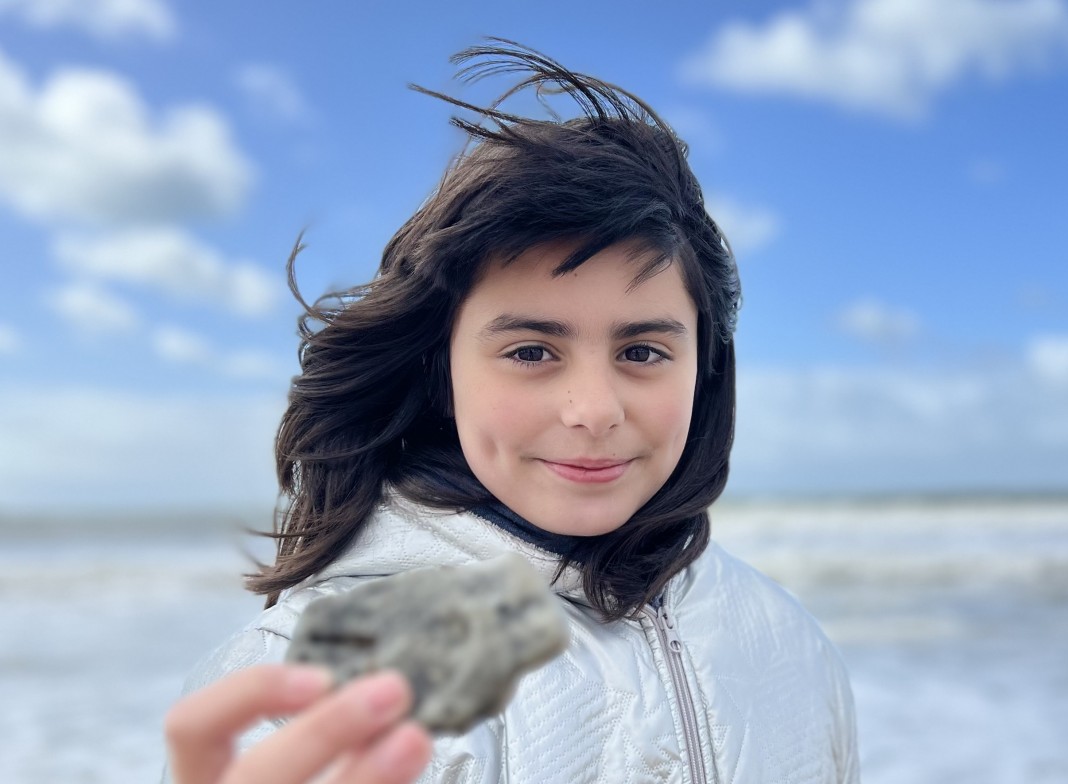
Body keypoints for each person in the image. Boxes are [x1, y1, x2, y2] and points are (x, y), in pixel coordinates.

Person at [163, 39, 859, 784]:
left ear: (705, 369)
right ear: (442, 369)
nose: (593, 411)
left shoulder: (787, 643)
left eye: (644, 352)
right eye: (531, 352)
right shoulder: (316, 677)